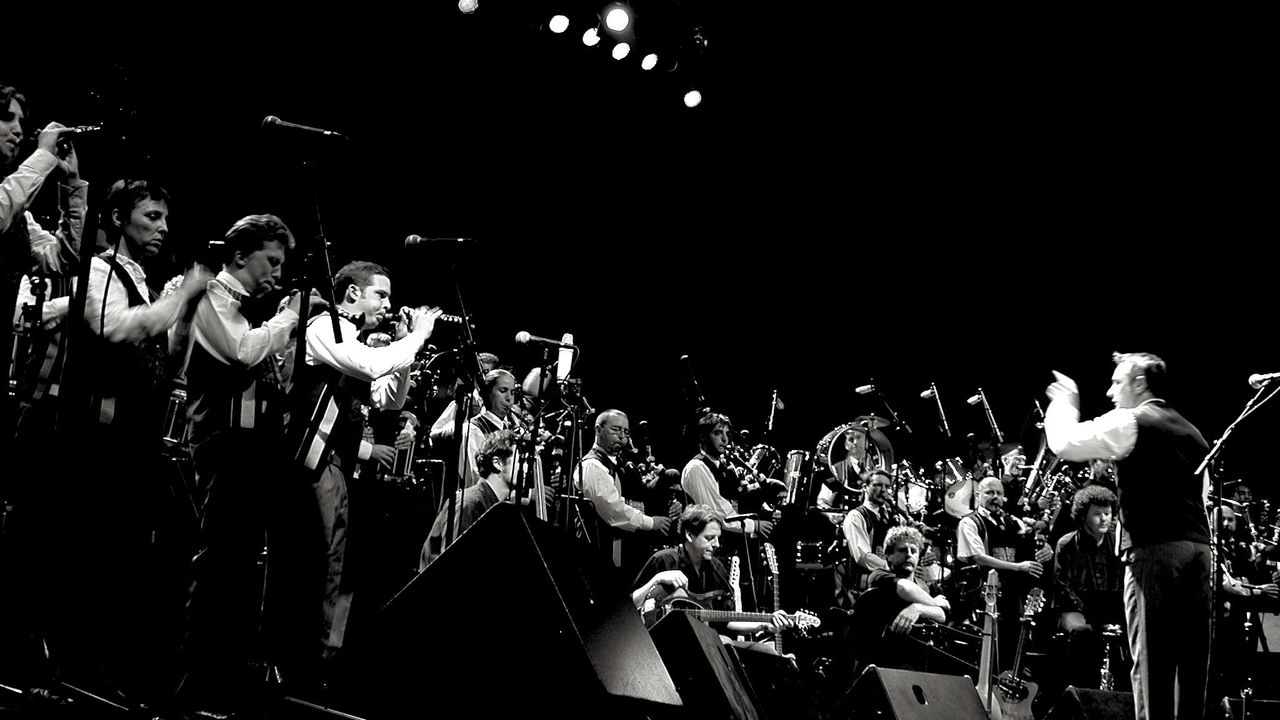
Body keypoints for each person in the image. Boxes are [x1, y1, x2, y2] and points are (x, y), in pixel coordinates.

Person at [177, 214, 325, 716]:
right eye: (272, 261)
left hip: (246, 450)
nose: (279, 272)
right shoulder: (209, 298)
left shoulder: (241, 307)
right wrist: (291, 316)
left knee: (238, 565)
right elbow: (240, 353)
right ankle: (197, 679)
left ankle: (224, 673)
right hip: (222, 447)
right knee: (218, 562)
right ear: (240, 256)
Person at [285, 260, 440, 669]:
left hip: (335, 465)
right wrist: (419, 337)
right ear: (353, 293)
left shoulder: (356, 336)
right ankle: (289, 658)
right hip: (308, 461)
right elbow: (370, 366)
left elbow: (389, 399)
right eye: (381, 294)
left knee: (331, 566)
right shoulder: (324, 327)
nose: (389, 305)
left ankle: (314, 660)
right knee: (310, 562)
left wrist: (406, 347)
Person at [1046, 353, 1212, 720]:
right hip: (1200, 551)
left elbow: (1065, 444)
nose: (1109, 391)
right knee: (1192, 665)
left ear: (1139, 383)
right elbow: (1202, 500)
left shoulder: (1131, 420)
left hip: (1155, 549)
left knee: (1152, 662)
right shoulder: (1195, 433)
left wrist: (1064, 403)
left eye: (1117, 382)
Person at [631, 504, 794, 653]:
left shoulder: (716, 568)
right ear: (689, 535)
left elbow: (726, 619)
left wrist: (765, 624)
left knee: (766, 651)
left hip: (705, 647)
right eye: (709, 538)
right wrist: (657, 579)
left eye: (717, 538)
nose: (716, 544)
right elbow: (630, 606)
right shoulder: (663, 560)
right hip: (663, 647)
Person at [577, 409, 674, 573]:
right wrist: (652, 522)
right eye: (616, 430)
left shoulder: (623, 463)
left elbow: (642, 495)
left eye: (626, 432)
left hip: (631, 552)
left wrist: (669, 506)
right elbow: (614, 511)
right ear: (598, 430)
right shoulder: (592, 465)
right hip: (605, 556)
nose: (622, 436)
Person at [1051, 485, 1126, 690]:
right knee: (1082, 633)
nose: (1104, 519)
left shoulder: (1118, 543)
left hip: (1113, 612)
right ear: (1083, 515)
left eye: (1108, 514)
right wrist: (1092, 615)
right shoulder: (1066, 544)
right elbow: (1062, 586)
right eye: (1097, 514)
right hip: (1076, 610)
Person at [850, 525, 951, 672]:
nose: (909, 555)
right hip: (881, 665)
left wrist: (918, 609)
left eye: (914, 551)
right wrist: (935, 603)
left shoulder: (926, 587)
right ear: (888, 555)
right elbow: (904, 588)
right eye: (902, 550)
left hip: (919, 664)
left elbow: (943, 615)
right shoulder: (878, 576)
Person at [419, 430, 515, 569]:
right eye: (519, 460)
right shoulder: (470, 504)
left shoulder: (494, 504)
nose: (526, 468)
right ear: (497, 463)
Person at [834, 469, 896, 609]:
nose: (883, 490)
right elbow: (863, 557)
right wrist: (893, 568)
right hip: (861, 587)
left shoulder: (892, 517)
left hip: (886, 582)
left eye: (887, 486)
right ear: (865, 488)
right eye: (878, 485)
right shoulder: (857, 516)